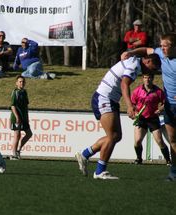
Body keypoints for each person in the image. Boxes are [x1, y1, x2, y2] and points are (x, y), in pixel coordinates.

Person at [75, 54, 161, 180]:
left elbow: (145, 51)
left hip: (109, 99)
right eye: (153, 68)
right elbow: (124, 85)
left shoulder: (135, 61)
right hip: (105, 98)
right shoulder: (134, 65)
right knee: (113, 136)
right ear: (147, 61)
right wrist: (130, 106)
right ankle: (99, 171)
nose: (152, 72)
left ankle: (84, 155)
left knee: (116, 136)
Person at [121, 33, 176, 181]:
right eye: (161, 45)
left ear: (173, 46)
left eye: (165, 46)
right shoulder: (160, 53)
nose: (162, 48)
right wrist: (131, 52)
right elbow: (146, 51)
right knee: (173, 139)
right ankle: (173, 173)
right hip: (170, 106)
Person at [131, 73, 171, 165]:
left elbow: (166, 103)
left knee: (159, 141)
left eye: (149, 77)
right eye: (145, 77)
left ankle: (168, 160)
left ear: (152, 79)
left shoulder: (158, 91)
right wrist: (135, 112)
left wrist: (160, 109)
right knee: (137, 141)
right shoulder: (137, 91)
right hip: (141, 118)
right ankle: (139, 159)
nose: (147, 79)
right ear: (142, 79)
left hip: (153, 119)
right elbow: (132, 104)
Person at [10, 75, 33, 160]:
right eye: (20, 81)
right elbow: (13, 106)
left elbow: (26, 105)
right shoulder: (15, 92)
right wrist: (17, 117)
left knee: (29, 134)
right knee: (17, 135)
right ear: (16, 83)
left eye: (23, 81)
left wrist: (26, 117)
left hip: (24, 117)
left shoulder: (24, 92)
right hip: (16, 117)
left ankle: (18, 150)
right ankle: (13, 154)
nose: (21, 83)